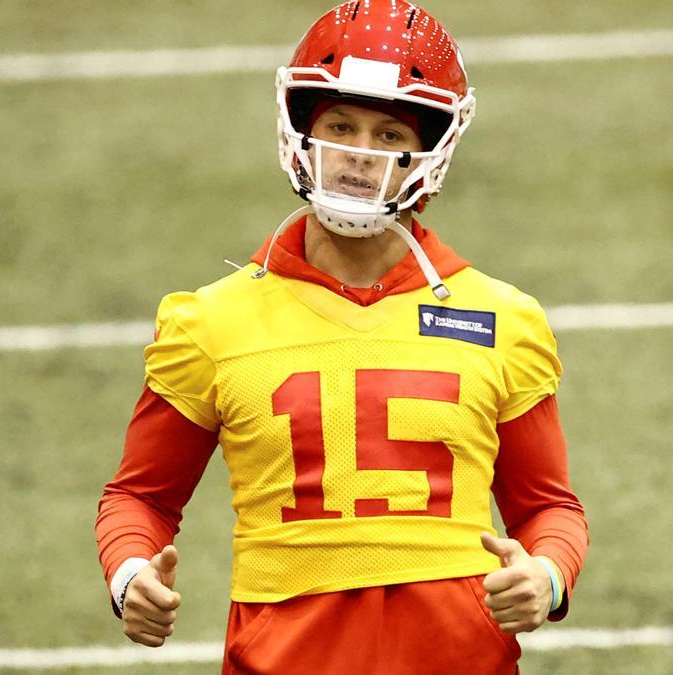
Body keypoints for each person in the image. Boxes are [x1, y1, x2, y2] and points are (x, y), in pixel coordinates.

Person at [95, 2, 588, 673]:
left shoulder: (504, 319)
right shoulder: (210, 321)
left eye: (389, 134)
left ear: (430, 150)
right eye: (340, 125)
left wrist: (547, 575)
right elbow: (141, 496)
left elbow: (549, 508)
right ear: (301, 130)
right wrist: (130, 574)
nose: (359, 154)